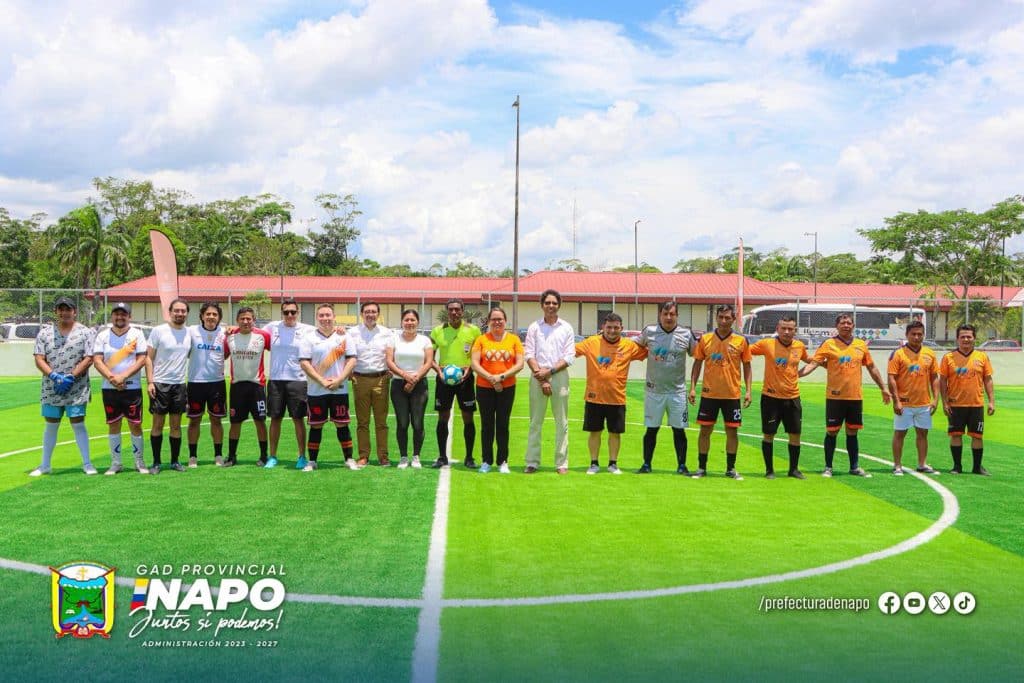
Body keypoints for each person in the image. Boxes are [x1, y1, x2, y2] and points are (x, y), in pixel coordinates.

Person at [799, 313, 891, 477]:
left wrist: (883, 388)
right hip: (835, 397)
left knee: (852, 432)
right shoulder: (828, 344)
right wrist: (797, 374)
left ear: (853, 326)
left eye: (849, 323)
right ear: (837, 326)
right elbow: (814, 363)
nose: (846, 325)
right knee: (832, 432)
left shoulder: (861, 345)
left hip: (855, 397)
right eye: (843, 323)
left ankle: (854, 467)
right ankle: (828, 467)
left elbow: (872, 367)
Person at [30, 297, 97, 476]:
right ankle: (45, 465)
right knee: (51, 424)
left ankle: (87, 463)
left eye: (68, 309)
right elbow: (38, 358)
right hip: (51, 386)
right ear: (56, 311)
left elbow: (89, 357)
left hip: (77, 387)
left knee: (78, 423)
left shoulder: (85, 332)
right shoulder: (44, 333)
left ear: (74, 311)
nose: (64, 313)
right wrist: (54, 375)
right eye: (60, 309)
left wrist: (71, 376)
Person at [574, 313, 648, 474]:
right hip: (594, 397)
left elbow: (649, 351)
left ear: (621, 328)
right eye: (609, 327)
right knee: (595, 431)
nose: (612, 331)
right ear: (603, 328)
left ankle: (613, 463)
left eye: (616, 327)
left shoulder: (630, 346)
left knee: (615, 433)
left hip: (617, 398)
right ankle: (594, 463)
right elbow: (570, 351)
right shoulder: (591, 342)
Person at [688, 304, 752, 480]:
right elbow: (697, 363)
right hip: (709, 395)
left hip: (732, 395)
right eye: (721, 317)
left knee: (732, 432)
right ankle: (701, 468)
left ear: (733, 319)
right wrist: (693, 388)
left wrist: (748, 391)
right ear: (716, 318)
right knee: (705, 431)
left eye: (727, 318)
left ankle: (731, 469)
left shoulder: (741, 341)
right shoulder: (705, 339)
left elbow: (747, 366)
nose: (724, 321)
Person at [634, 301, 694, 475]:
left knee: (679, 430)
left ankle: (682, 466)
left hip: (677, 392)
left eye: (672, 314)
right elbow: (634, 347)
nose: (668, 317)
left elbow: (697, 354)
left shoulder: (686, 334)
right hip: (654, 391)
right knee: (651, 429)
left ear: (677, 316)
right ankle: (646, 464)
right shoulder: (649, 332)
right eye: (665, 314)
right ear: (660, 314)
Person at [749, 316, 809, 479]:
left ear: (795, 330)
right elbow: (745, 351)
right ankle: (769, 471)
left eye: (790, 329)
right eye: (784, 328)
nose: (787, 332)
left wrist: (804, 372)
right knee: (769, 434)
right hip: (771, 398)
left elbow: (810, 360)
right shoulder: (766, 344)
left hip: (793, 398)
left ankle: (794, 470)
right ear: (778, 328)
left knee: (795, 435)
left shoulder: (799, 346)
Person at [299, 304, 358, 471]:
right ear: (317, 318)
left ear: (334, 317)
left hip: (339, 389)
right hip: (316, 390)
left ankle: (348, 459)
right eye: (322, 315)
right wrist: (321, 381)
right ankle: (312, 461)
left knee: (342, 424)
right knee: (316, 425)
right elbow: (304, 363)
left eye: (328, 315)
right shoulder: (309, 338)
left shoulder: (344, 337)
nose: (325, 318)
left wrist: (339, 380)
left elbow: (352, 360)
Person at [93, 302, 149, 475]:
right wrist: (112, 378)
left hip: (131, 387)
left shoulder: (137, 334)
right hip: (109, 388)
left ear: (129, 317)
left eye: (123, 314)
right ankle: (116, 463)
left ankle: (139, 462)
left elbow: (141, 359)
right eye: (116, 314)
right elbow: (97, 360)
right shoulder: (102, 336)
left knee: (135, 425)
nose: (120, 317)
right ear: (112, 316)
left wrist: (123, 377)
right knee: (113, 424)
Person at [523, 289, 575, 474]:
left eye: (554, 303)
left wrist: (550, 372)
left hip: (559, 376)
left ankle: (562, 463)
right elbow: (529, 353)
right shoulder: (534, 327)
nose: (551, 306)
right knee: (535, 421)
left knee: (561, 422)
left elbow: (569, 357)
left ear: (559, 305)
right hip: (537, 376)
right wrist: (541, 376)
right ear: (542, 305)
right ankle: (532, 462)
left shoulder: (566, 328)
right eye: (547, 303)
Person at [471, 307, 525, 473]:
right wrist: (491, 379)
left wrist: (501, 378)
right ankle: (486, 461)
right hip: (484, 387)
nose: (497, 322)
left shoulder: (514, 340)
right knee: (487, 425)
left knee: (503, 424)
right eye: (493, 319)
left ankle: (503, 461)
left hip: (507, 387)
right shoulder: (481, 340)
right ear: (488, 322)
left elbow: (519, 363)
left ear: (505, 321)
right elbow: (475, 363)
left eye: (500, 319)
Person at [429, 299, 481, 469]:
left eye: (457, 309)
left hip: (465, 379)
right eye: (451, 309)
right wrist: (439, 371)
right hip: (444, 379)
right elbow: (429, 358)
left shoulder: (473, 331)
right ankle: (442, 456)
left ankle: (469, 457)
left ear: (463, 311)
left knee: (468, 417)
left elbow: (478, 356)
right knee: (443, 417)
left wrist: (470, 368)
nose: (454, 312)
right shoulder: (438, 331)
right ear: (447, 312)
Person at [263, 298, 315, 469]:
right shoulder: (272, 327)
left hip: (298, 380)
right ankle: (272, 456)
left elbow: (325, 332)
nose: (290, 315)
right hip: (276, 381)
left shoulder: (307, 330)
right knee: (275, 419)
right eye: (286, 312)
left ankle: (301, 456)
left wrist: (339, 330)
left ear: (297, 312)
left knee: (297, 418)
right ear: (282, 313)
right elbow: (254, 333)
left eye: (293, 312)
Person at [938, 324, 996, 475]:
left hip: (976, 404)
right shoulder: (948, 358)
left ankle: (977, 467)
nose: (965, 339)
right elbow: (942, 381)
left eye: (969, 337)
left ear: (974, 338)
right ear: (957, 339)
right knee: (956, 435)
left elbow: (988, 379)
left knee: (977, 436)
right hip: (955, 404)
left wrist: (991, 401)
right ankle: (957, 466)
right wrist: (944, 402)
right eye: (962, 337)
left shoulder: (982, 357)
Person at [888, 320, 941, 476]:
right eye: (913, 334)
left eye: (920, 334)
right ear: (907, 335)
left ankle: (922, 464)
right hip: (904, 404)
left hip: (924, 403)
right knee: (900, 434)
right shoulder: (897, 354)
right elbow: (891, 379)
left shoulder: (929, 353)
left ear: (923, 335)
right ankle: (897, 465)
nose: (917, 337)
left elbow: (934, 377)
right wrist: (896, 401)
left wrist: (935, 399)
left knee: (923, 434)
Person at [145, 298, 191, 474]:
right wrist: (150, 381)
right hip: (160, 384)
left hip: (179, 385)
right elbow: (148, 357)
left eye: (183, 311)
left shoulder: (189, 333)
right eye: (176, 311)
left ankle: (175, 461)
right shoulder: (159, 331)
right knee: (157, 424)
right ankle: (156, 463)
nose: (180, 314)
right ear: (170, 312)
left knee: (176, 426)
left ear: (187, 313)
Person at [385, 309, 434, 469]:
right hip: (399, 385)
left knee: (418, 422)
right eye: (406, 320)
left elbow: (428, 362)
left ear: (417, 322)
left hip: (419, 384)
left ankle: (416, 456)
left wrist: (415, 378)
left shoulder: (425, 340)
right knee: (403, 422)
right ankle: (404, 457)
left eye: (413, 320)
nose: (409, 323)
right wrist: (405, 376)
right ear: (402, 322)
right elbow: (390, 361)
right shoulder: (393, 339)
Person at [347, 301, 394, 467]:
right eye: (367, 311)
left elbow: (392, 354)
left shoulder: (387, 333)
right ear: (362, 314)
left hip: (381, 379)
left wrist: (391, 369)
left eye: (373, 311)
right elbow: (345, 353)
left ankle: (383, 456)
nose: (370, 314)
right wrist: (348, 373)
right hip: (360, 380)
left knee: (381, 422)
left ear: (378, 314)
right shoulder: (352, 333)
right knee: (362, 422)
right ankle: (363, 455)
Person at [224, 306, 271, 467]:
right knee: (235, 422)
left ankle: (264, 456)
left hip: (257, 386)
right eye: (242, 318)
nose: (245, 321)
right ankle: (231, 456)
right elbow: (222, 355)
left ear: (253, 320)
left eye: (248, 318)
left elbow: (278, 350)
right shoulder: (230, 336)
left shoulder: (263, 336)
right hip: (237, 386)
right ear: (237, 320)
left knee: (260, 421)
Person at [186, 302, 228, 467]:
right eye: (208, 314)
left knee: (216, 420)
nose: (211, 317)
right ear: (202, 316)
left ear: (219, 318)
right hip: (196, 383)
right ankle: (192, 456)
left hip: (216, 383)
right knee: (194, 421)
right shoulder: (191, 331)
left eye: (214, 314)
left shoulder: (225, 333)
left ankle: (218, 455)